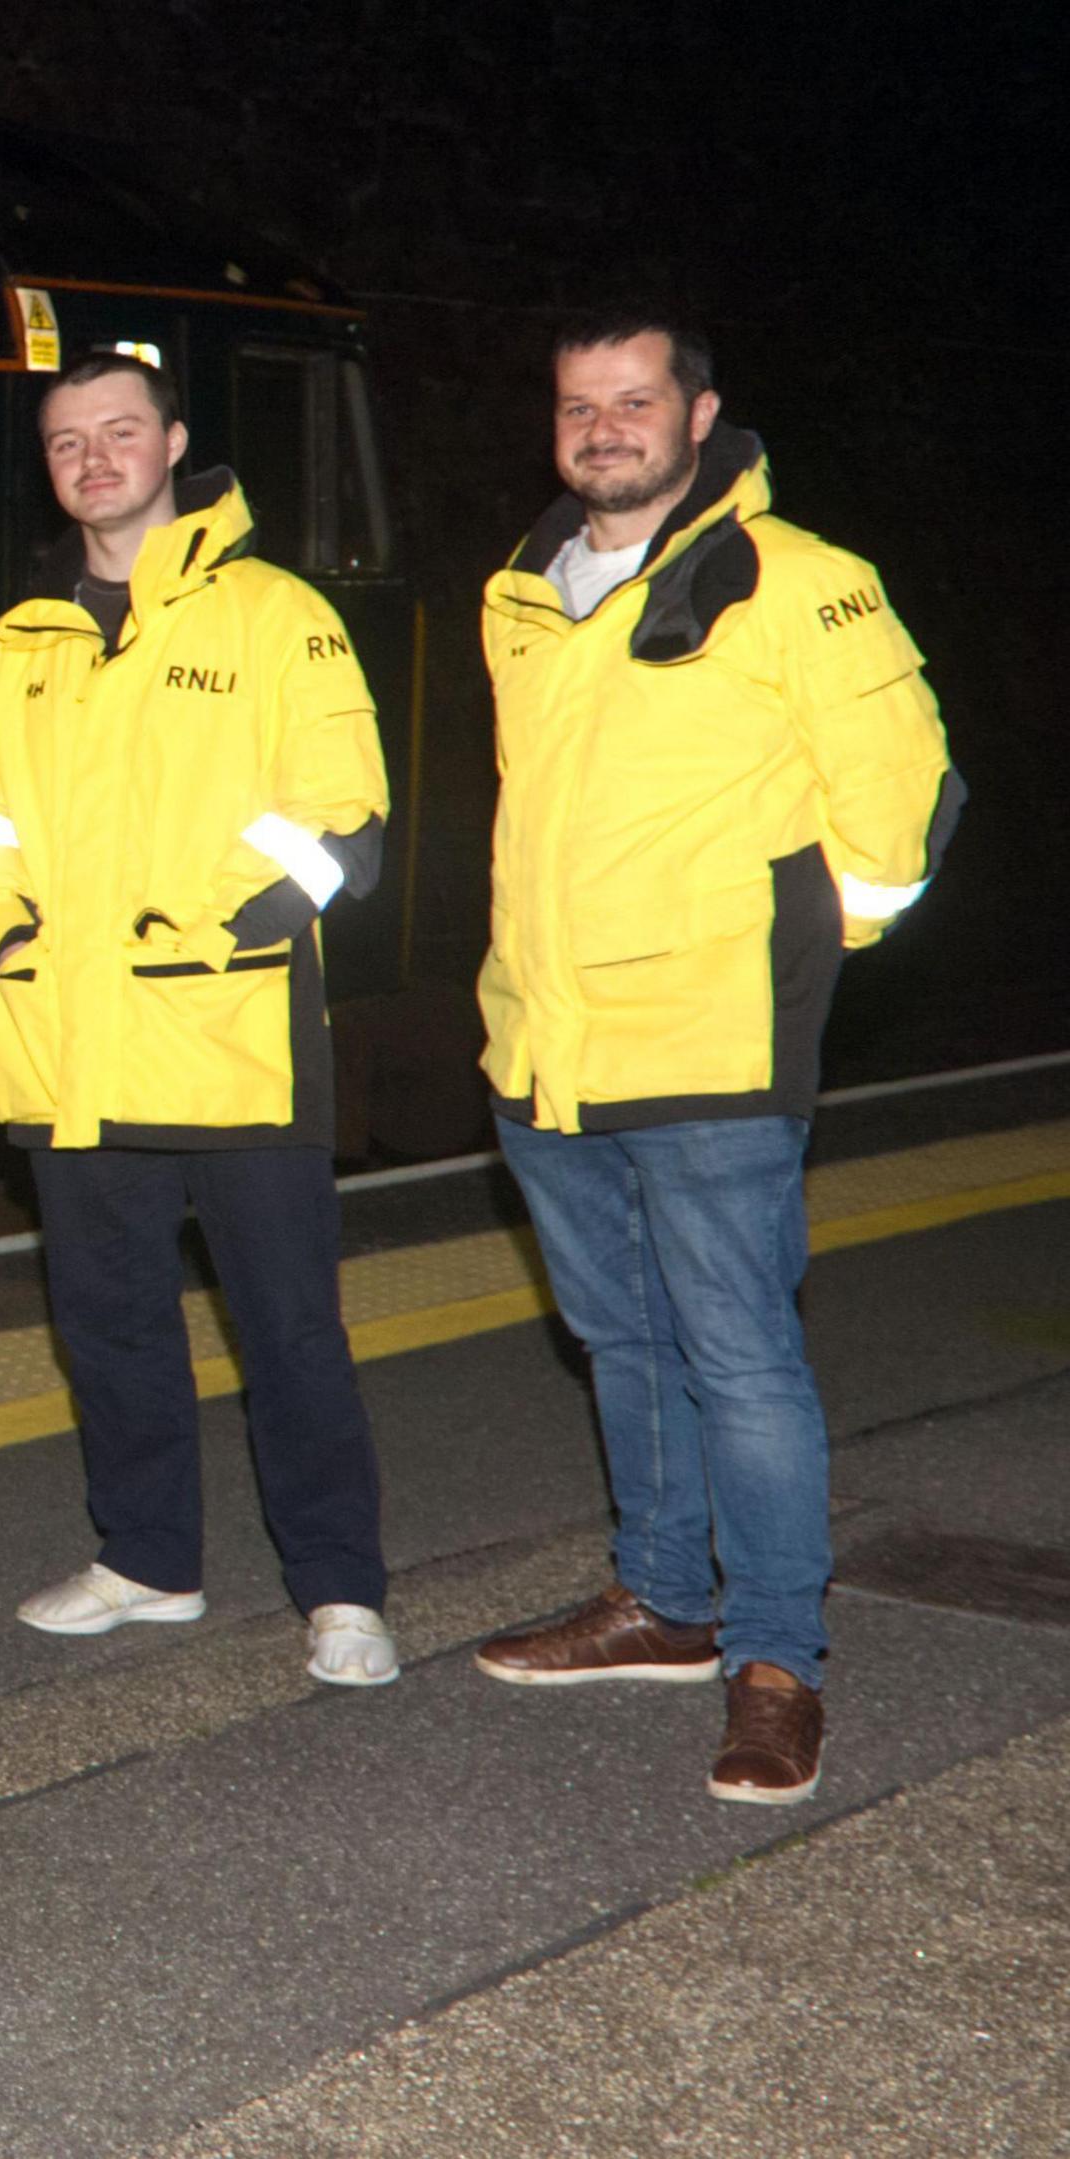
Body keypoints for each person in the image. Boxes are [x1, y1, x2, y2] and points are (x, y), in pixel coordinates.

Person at [467, 313, 959, 1803]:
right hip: (547, 1043)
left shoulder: (800, 581)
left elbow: (911, 800)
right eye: (578, 405)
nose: (604, 427)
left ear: (701, 415)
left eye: (634, 400)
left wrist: (793, 962)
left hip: (712, 1045)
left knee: (743, 1360)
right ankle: (662, 1600)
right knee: (625, 1340)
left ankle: (776, 1660)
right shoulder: (527, 592)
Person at [0, 353, 399, 1685]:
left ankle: (341, 1589)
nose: (94, 458)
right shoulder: (8, 644)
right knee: (111, 1323)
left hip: (230, 1040)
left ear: (175, 443)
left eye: (120, 431)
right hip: (68, 1042)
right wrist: (0, 931)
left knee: (287, 1328)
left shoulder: (274, 614)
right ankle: (147, 1560)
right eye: (67, 440)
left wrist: (217, 933)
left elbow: (344, 820)